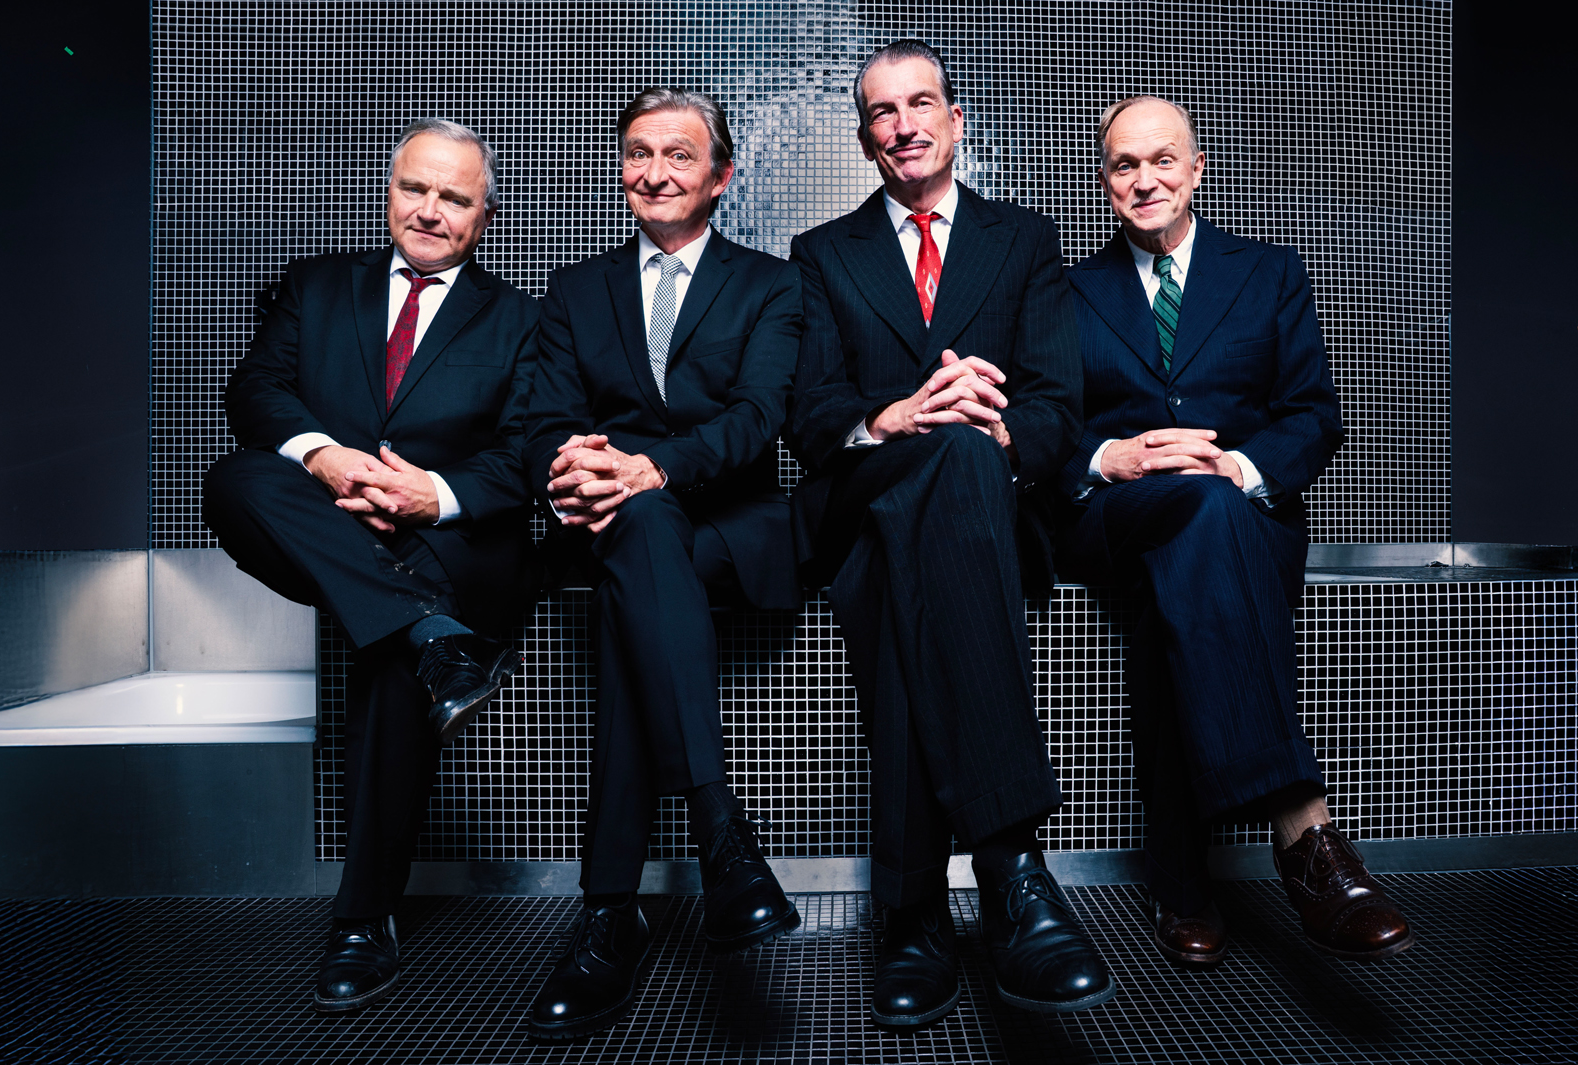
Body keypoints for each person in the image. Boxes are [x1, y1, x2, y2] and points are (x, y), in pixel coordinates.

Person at [788, 41, 1113, 1027]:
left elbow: (1057, 404)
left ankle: (914, 911)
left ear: (956, 120)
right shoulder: (822, 253)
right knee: (942, 462)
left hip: (983, 511)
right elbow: (810, 413)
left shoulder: (1025, 240)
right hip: (867, 498)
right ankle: (1012, 868)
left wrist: (996, 430)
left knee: (956, 483)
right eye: (882, 113)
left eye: (920, 104)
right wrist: (893, 416)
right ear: (864, 140)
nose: (904, 126)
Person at [1056, 95, 1413, 967]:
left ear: (1198, 170)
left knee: (1186, 567)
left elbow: (1312, 415)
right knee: (1192, 521)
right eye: (1124, 165)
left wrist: (1237, 468)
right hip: (1117, 515)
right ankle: (1306, 833)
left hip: (1239, 516)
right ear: (1104, 182)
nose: (1145, 179)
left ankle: (1181, 883)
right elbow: (1045, 426)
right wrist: (1112, 454)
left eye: (1162, 160)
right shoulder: (1067, 291)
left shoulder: (1269, 272)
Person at [202, 118, 541, 1012]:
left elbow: (525, 455)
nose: (429, 210)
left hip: (448, 543)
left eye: (454, 198)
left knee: (391, 653)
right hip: (331, 527)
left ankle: (362, 918)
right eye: (414, 188)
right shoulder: (317, 286)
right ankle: (434, 633)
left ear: (485, 215)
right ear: (390, 191)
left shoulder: (523, 319)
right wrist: (323, 457)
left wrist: (432, 493)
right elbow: (256, 391)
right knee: (238, 479)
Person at [521, 87, 804, 1040]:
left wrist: (650, 468)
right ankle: (722, 836)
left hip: (729, 525)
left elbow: (758, 417)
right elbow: (543, 420)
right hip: (618, 519)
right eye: (639, 153)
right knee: (639, 540)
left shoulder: (771, 285)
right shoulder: (576, 289)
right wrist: (572, 467)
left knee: (636, 568)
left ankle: (610, 913)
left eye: (679, 155)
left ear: (721, 176)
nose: (655, 172)